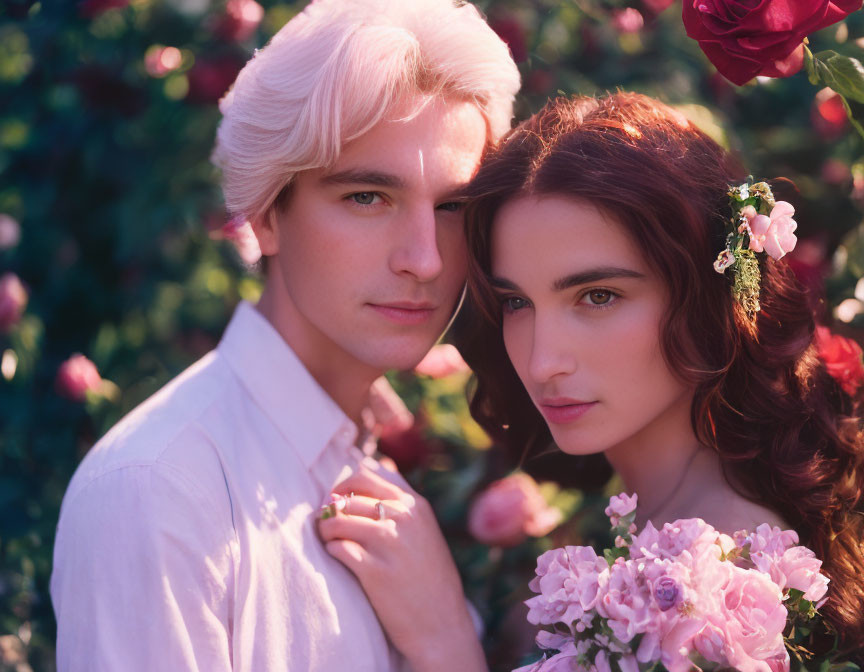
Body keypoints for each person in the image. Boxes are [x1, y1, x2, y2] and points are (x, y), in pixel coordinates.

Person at [49, 1, 520, 670]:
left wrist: (448, 642)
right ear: (266, 216)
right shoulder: (157, 491)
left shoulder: (377, 461)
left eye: (452, 208)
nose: (426, 259)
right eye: (368, 197)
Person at [318, 92, 864, 666]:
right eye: (516, 302)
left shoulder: (717, 594)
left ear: (708, 296)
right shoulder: (639, 516)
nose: (541, 361)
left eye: (598, 296)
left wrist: (443, 639)